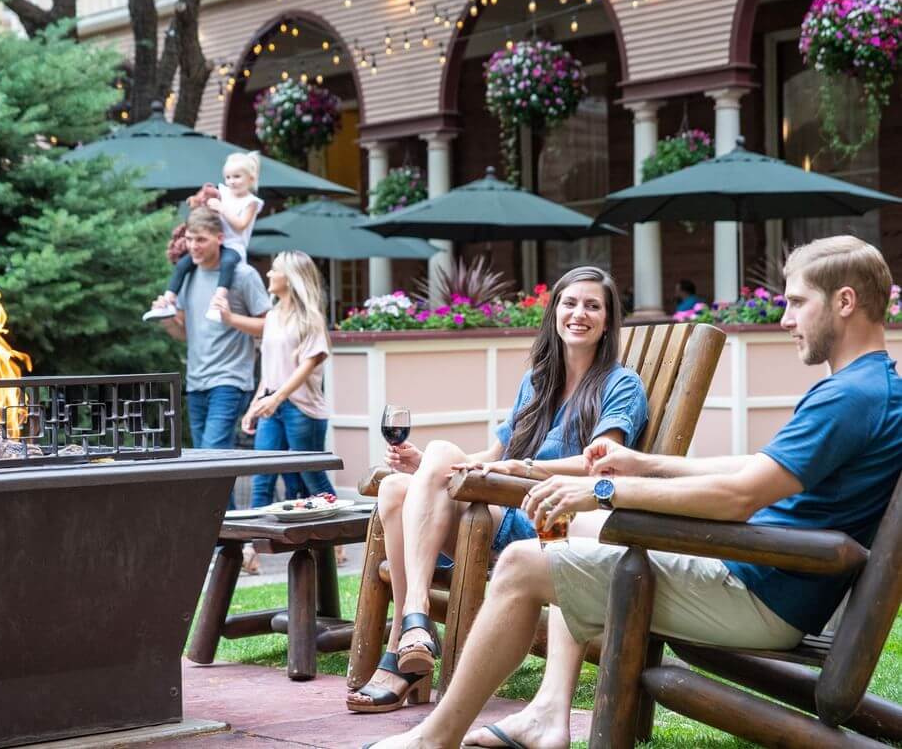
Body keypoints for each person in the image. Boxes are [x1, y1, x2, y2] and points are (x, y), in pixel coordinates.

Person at [366, 235, 902, 749]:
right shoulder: (871, 388)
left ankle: (436, 738)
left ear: (844, 302)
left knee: (523, 564)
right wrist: (644, 464)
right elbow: (754, 467)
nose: (785, 319)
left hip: (758, 590)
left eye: (798, 303)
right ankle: (547, 711)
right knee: (580, 529)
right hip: (765, 574)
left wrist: (603, 490)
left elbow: (740, 496)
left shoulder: (847, 398)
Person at [346, 266, 648, 714]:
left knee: (436, 458)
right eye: (569, 303)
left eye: (592, 306)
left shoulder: (622, 385)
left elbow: (602, 462)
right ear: (555, 312)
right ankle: (413, 632)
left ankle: (409, 631)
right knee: (395, 487)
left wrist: (521, 467)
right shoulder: (538, 381)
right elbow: (491, 455)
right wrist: (425, 466)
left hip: (549, 521)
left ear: (607, 322)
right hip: (502, 510)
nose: (579, 313)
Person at [151, 207, 272, 505]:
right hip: (196, 382)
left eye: (201, 240)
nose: (194, 246)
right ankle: (226, 529)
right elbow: (185, 333)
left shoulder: (243, 275)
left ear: (219, 238)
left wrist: (231, 319)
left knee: (208, 460)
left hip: (230, 380)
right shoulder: (188, 276)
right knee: (208, 464)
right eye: (190, 239)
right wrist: (166, 319)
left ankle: (220, 530)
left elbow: (269, 325)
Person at [229, 251, 340, 573]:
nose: (268, 275)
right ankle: (251, 550)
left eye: (274, 270)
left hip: (302, 409)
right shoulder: (274, 315)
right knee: (262, 476)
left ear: (289, 278)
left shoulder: (310, 319)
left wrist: (277, 398)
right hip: (273, 404)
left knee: (311, 476)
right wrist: (256, 404)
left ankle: (337, 538)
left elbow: (308, 365)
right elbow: (270, 369)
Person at [146, 152, 264, 323]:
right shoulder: (223, 192)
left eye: (237, 177)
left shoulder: (251, 202)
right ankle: (168, 300)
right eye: (228, 177)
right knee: (183, 264)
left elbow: (241, 225)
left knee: (227, 263)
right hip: (215, 242)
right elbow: (205, 198)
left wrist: (222, 208)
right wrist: (196, 201)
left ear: (251, 178)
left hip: (233, 245)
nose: (231, 181)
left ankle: (218, 302)